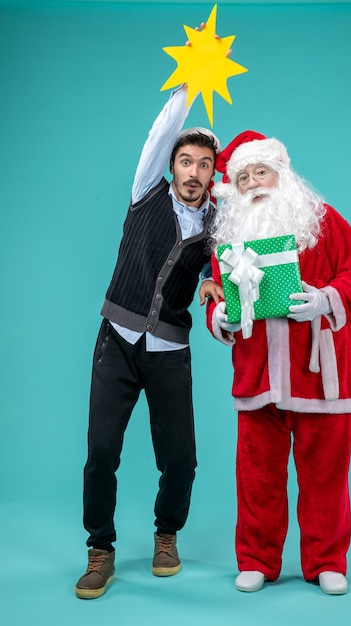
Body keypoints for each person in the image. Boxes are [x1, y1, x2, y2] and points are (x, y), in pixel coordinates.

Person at [203, 130, 351, 595]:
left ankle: (326, 561)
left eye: (262, 172)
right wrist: (217, 315)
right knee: (257, 477)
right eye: (243, 177)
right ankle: (258, 559)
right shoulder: (230, 239)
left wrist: (326, 299)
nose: (255, 182)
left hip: (321, 375)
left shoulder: (323, 221)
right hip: (256, 377)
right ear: (234, 189)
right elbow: (218, 297)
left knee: (325, 475)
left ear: (281, 174)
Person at [75, 83, 223, 600]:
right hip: (116, 341)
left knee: (181, 457)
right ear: (172, 166)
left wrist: (213, 286)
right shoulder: (146, 191)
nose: (193, 172)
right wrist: (188, 83)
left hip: (169, 351)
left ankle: (167, 535)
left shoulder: (216, 225)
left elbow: (227, 270)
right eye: (186, 161)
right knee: (101, 451)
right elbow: (159, 135)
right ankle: (100, 550)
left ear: (211, 175)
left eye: (205, 165)